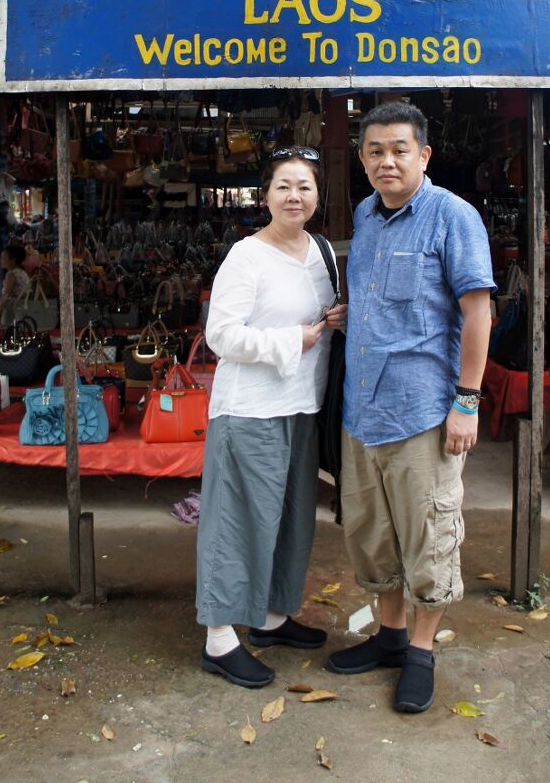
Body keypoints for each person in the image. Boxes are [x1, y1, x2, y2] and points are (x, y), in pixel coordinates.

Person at [326, 101, 495, 714]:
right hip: (362, 411)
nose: (386, 161)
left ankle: (420, 652)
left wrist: (467, 402)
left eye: (399, 149)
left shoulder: (454, 217)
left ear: (424, 154)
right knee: (372, 536)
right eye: (375, 151)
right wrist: (350, 318)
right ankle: (390, 637)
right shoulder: (367, 217)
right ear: (364, 159)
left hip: (424, 411)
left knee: (428, 536)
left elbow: (479, 312)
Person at [196, 146, 348, 689]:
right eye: (283, 186)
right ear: (265, 196)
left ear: (315, 196)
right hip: (252, 410)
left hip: (302, 406)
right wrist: (295, 338)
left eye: (304, 186)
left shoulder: (322, 250)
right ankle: (218, 637)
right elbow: (221, 335)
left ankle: (270, 618)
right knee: (237, 521)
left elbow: (322, 320)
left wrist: (338, 318)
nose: (294, 196)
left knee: (290, 518)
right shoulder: (246, 256)